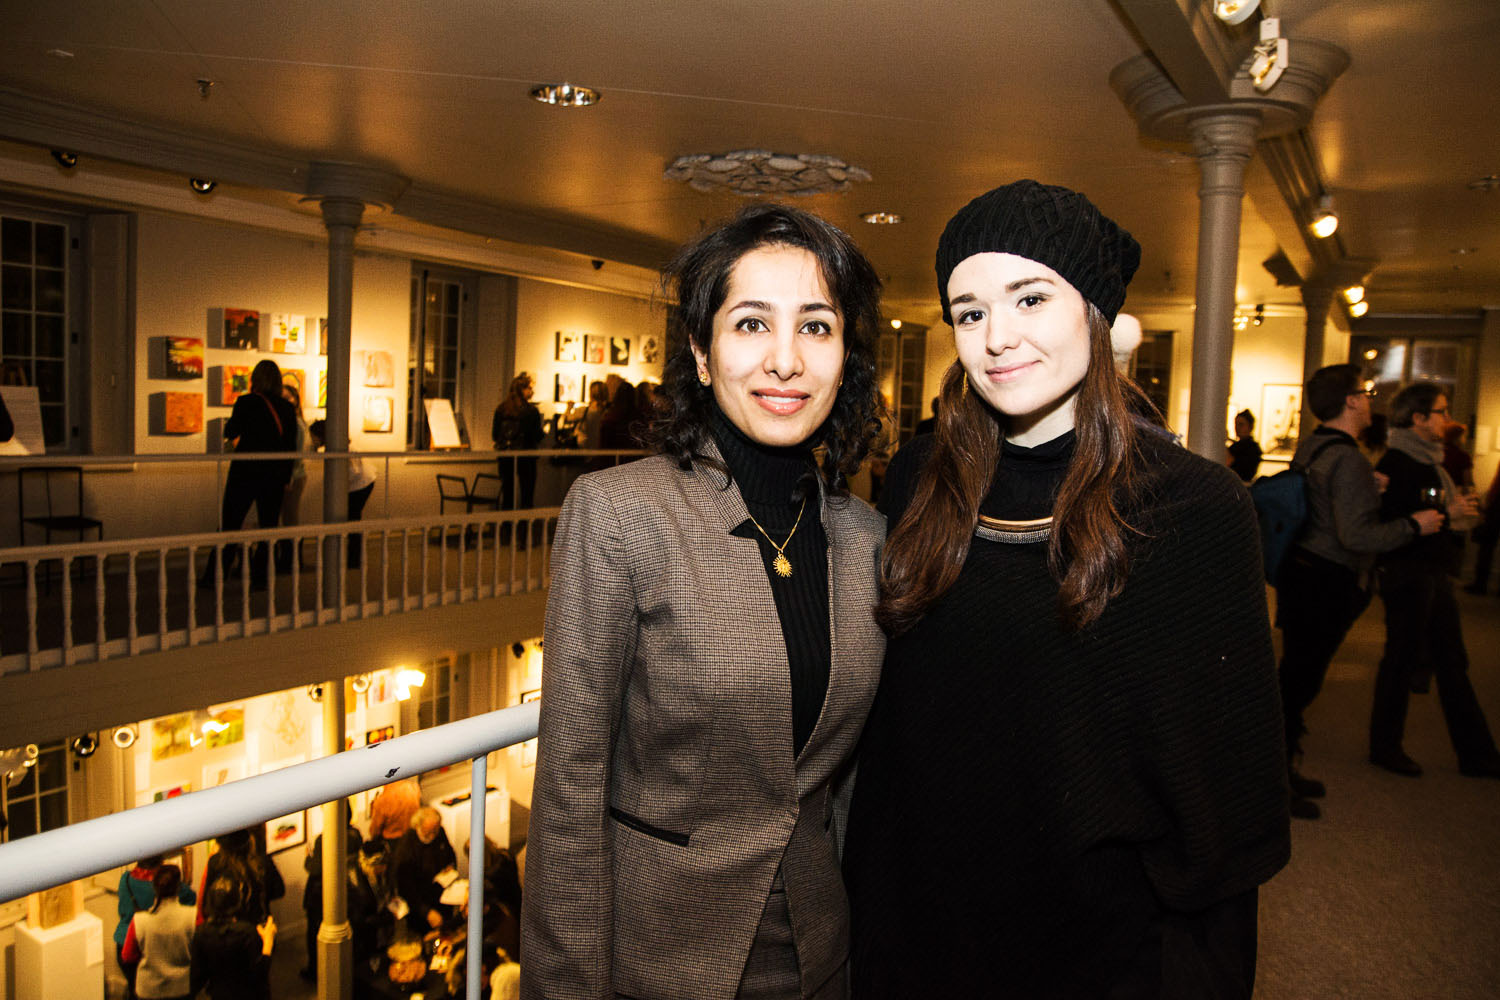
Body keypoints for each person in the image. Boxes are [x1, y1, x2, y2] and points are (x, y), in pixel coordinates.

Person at [843, 180, 1290, 998]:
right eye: (969, 312)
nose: (996, 338)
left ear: (1094, 314)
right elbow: (900, 735)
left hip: (1097, 947)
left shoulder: (1191, 507)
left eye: (1030, 298)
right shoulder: (917, 479)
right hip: (919, 927)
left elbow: (1224, 795)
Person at [520, 202, 887, 1000]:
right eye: (752, 324)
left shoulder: (868, 540)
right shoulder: (620, 514)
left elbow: (847, 784)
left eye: (817, 327)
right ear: (701, 349)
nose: (786, 360)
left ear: (846, 354)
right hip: (656, 961)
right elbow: (569, 792)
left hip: (824, 961)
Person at [1273, 365, 1442, 820]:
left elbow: (1325, 506)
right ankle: (1273, 786)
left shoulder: (1314, 445)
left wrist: (1369, 486)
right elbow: (1356, 536)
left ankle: (1283, 772)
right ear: (1350, 401)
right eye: (1365, 393)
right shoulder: (1346, 457)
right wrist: (1414, 525)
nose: (1371, 400)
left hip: (1301, 572)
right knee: (1297, 685)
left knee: (1295, 679)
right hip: (1326, 581)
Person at [1368, 383, 1500, 779]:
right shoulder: (1397, 462)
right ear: (1418, 418)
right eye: (1440, 411)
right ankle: (1386, 746)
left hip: (1432, 570)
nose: (1446, 418)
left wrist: (1453, 511)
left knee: (1451, 659)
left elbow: (1432, 512)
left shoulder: (1433, 461)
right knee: (1403, 658)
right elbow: (1390, 519)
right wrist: (1444, 511)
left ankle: (1477, 753)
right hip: (1408, 571)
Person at [202, 360, 297, 588]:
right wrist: (286, 477)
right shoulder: (287, 408)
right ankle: (260, 579)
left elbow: (231, 430)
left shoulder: (245, 402)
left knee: (229, 525)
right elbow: (290, 445)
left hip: (245, 472)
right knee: (268, 527)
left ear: (255, 378)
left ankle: (215, 576)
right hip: (273, 474)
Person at [116, 854, 196, 999]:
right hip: (152, 945)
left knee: (135, 989)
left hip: (124, 941)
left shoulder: (125, 878)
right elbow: (191, 898)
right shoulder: (167, 884)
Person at [190, 877, 276, 1000]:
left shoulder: (201, 933)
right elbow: (260, 972)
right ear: (238, 901)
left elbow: (197, 977)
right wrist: (268, 940)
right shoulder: (246, 932)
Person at [299, 817, 363, 981]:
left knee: (316, 933)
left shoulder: (325, 838)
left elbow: (314, 868)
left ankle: (316, 971)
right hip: (346, 891)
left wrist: (308, 856)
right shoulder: (355, 835)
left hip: (321, 894)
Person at [308, 419, 377, 567]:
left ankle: (354, 559)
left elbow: (354, 472)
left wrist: (339, 487)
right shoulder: (340, 444)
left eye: (314, 436)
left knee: (353, 519)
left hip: (360, 485)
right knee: (353, 519)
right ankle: (352, 558)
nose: (312, 439)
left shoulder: (342, 448)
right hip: (362, 482)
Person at [198, 827, 284, 925]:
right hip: (258, 926)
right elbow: (279, 891)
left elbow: (207, 903)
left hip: (229, 929)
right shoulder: (262, 861)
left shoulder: (216, 863)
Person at [392, 806, 457, 933]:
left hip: (443, 896)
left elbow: (450, 853)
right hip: (420, 904)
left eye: (435, 830)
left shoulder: (439, 832)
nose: (433, 834)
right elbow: (406, 888)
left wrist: (450, 865)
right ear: (418, 825)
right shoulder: (406, 849)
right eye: (430, 830)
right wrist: (426, 912)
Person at [492, 372, 545, 510]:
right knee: (527, 494)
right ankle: (524, 527)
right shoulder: (531, 411)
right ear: (522, 390)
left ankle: (507, 526)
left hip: (506, 456)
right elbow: (537, 436)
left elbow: (495, 434)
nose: (532, 391)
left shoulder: (501, 409)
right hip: (526, 457)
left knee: (508, 493)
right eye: (529, 388)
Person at [1465, 464, 1500, 595]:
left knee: (1487, 545)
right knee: (1487, 545)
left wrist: (1489, 502)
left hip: (1497, 506)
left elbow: (1497, 484)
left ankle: (1480, 583)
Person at [1227, 407, 1262, 482]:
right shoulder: (1237, 446)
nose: (1237, 428)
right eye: (1236, 424)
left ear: (1250, 427)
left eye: (1241, 425)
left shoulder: (1251, 448)